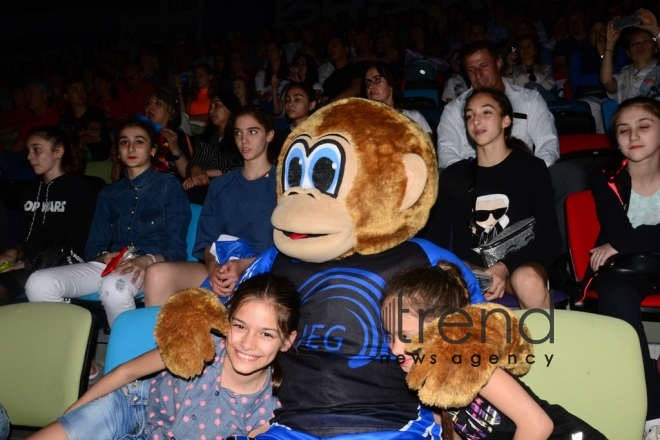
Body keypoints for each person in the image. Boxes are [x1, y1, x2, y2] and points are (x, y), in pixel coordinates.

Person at [27, 273, 299, 440]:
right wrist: (73, 413)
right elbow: (127, 372)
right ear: (226, 321)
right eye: (240, 326)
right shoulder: (201, 345)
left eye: (266, 334)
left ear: (287, 341)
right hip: (132, 406)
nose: (248, 344)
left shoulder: (269, 410)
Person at [382, 263, 605, 439]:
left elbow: (538, 425)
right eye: (390, 336)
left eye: (408, 337)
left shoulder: (476, 368)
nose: (395, 349)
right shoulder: (425, 380)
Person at [436, 40, 585, 294]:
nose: (477, 74)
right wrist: (483, 175)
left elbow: (549, 144)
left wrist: (520, 173)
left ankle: (558, 264)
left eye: (483, 66)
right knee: (450, 182)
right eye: (470, 70)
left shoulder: (528, 99)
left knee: (569, 174)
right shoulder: (454, 111)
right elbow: (448, 156)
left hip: (524, 178)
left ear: (498, 64)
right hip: (473, 182)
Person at [25, 120, 190, 328]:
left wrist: (148, 260)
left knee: (115, 286)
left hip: (153, 264)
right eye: (124, 142)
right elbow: (93, 247)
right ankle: (73, 355)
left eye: (139, 142)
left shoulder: (169, 187)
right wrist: (103, 256)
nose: (130, 148)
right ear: (118, 151)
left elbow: (176, 248)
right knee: (38, 283)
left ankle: (130, 356)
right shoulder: (108, 194)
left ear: (153, 150)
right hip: (114, 264)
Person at [428, 88, 560, 309]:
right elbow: (435, 241)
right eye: (470, 116)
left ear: (506, 120)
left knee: (526, 280)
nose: (476, 121)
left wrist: (504, 266)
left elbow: (550, 241)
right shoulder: (454, 177)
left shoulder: (531, 169)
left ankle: (546, 344)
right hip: (472, 273)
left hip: (520, 266)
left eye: (486, 113)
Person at [144, 106, 276, 306]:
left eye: (253, 132)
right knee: (157, 274)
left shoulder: (283, 184)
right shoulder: (220, 185)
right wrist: (214, 268)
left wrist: (242, 265)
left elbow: (287, 247)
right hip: (222, 266)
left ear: (269, 135)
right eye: (238, 133)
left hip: (266, 270)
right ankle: (155, 336)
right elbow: (206, 242)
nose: (244, 140)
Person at [587, 96, 660, 434]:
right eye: (623, 130)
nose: (634, 136)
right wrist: (630, 239)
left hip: (633, 255)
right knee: (614, 293)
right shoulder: (606, 179)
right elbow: (624, 240)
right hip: (628, 269)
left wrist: (631, 236)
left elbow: (627, 237)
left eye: (644, 126)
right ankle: (653, 413)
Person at [0, 126, 94, 301]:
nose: (29, 156)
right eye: (28, 151)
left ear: (58, 152)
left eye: (36, 150)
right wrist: (14, 252)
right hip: (30, 264)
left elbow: (76, 243)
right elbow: (25, 239)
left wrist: (26, 264)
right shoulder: (29, 192)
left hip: (61, 266)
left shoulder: (80, 189)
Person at [183, 91, 244, 203]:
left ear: (231, 108)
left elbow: (240, 168)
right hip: (201, 187)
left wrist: (204, 173)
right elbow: (192, 164)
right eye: (210, 106)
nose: (211, 110)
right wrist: (194, 170)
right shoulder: (204, 139)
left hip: (228, 189)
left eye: (217, 105)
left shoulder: (241, 138)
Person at [601, 9, 660, 104]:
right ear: (628, 53)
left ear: (655, 49)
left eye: (646, 41)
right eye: (634, 43)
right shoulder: (625, 73)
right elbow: (606, 81)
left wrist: (655, 30)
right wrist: (610, 43)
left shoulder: (658, 68)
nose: (640, 45)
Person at [363, 62, 432, 135]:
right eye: (367, 82)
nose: (370, 86)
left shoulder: (414, 118)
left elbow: (427, 145)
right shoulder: (362, 120)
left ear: (391, 83)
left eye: (376, 79)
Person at [58, 79, 112, 161]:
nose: (81, 93)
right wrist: (78, 139)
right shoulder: (64, 119)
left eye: (83, 89)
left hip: (100, 159)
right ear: (66, 96)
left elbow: (92, 135)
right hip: (75, 162)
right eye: (75, 90)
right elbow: (61, 142)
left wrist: (73, 139)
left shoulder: (96, 112)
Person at [505, 35, 557, 102]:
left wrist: (531, 90)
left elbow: (550, 82)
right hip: (522, 101)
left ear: (535, 50)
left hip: (544, 99)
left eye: (529, 46)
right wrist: (509, 69)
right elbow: (511, 87)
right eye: (522, 47)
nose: (525, 49)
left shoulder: (546, 67)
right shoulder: (513, 69)